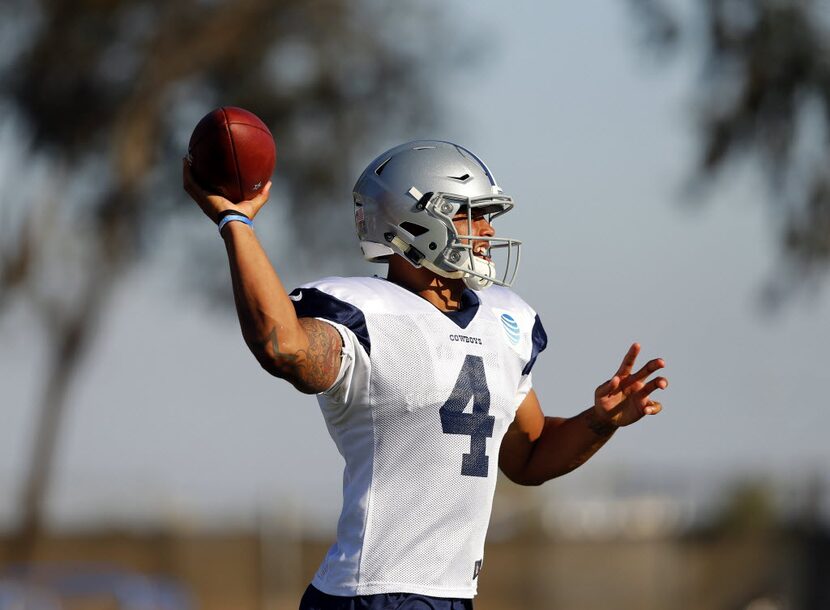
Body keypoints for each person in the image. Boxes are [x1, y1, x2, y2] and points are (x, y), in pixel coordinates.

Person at [183, 140, 668, 610]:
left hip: (453, 595)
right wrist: (235, 222)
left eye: (487, 217)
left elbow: (529, 457)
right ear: (412, 222)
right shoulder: (364, 316)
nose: (484, 232)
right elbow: (281, 344)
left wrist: (601, 420)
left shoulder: (508, 322)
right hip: (370, 594)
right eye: (469, 214)